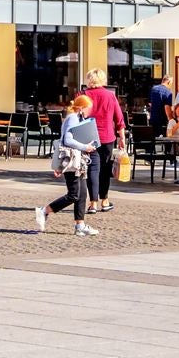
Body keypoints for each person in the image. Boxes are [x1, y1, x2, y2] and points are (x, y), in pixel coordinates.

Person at [36, 93, 102, 237]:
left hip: (79, 161)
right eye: (89, 108)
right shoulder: (73, 118)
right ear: (82, 108)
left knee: (82, 194)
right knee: (73, 194)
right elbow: (67, 140)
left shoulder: (78, 118)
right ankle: (45, 211)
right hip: (71, 160)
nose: (90, 111)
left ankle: (80, 226)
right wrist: (85, 147)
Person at [83, 68, 127, 214]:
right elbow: (119, 119)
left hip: (88, 137)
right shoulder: (110, 95)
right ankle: (105, 200)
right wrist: (122, 137)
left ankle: (93, 203)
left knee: (92, 169)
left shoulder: (83, 95)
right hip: (107, 137)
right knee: (105, 169)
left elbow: (75, 115)